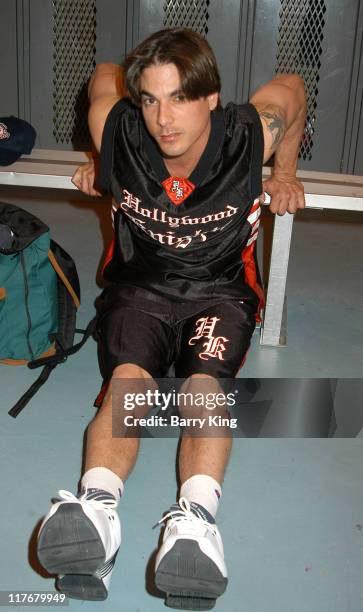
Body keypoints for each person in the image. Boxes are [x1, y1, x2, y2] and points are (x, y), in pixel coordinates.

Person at [36, 28, 306, 609]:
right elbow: (105, 69)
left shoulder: (248, 133)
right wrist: (97, 158)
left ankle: (196, 522)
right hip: (143, 287)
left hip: (221, 292)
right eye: (151, 99)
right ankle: (98, 509)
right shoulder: (118, 130)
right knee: (130, 381)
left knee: (203, 387)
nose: (164, 118)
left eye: (180, 97)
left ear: (211, 97)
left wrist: (283, 171)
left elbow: (292, 87)